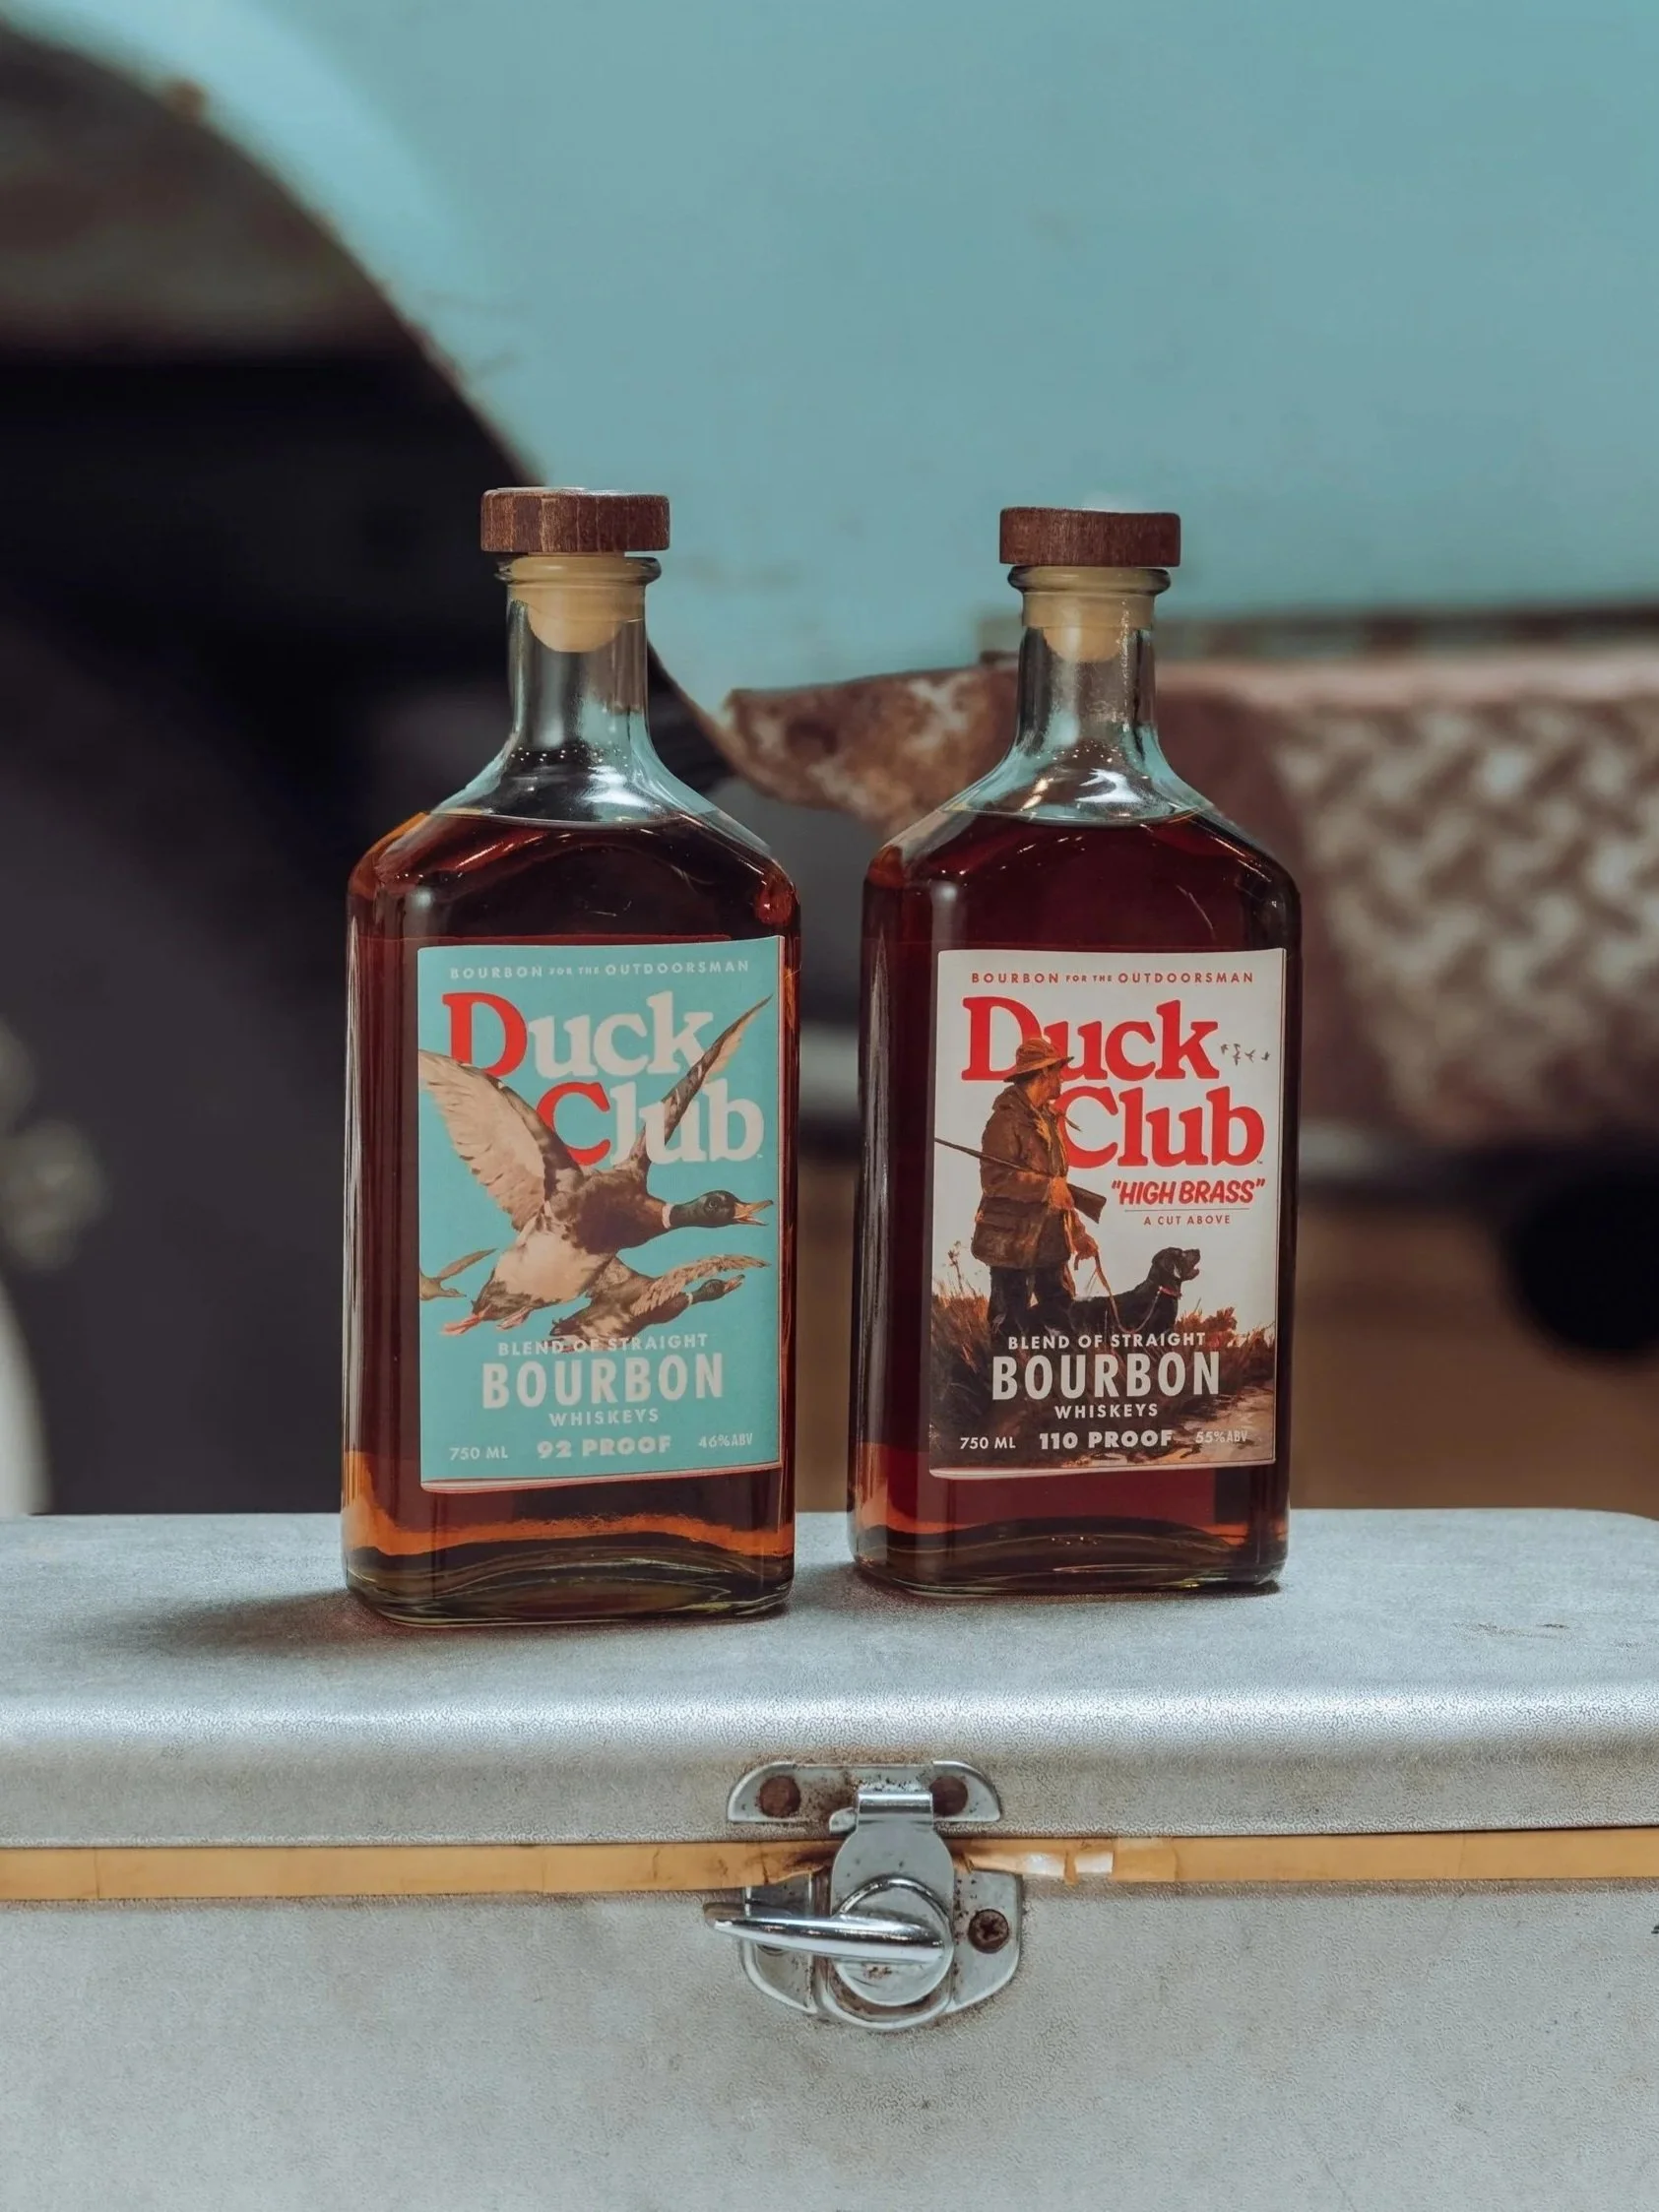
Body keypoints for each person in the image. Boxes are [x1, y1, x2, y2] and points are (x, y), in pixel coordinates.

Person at [970, 1036, 1099, 1346]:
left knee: (1061, 1320)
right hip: (1012, 1243)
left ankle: (1056, 1391)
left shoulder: (1048, 1120)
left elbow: (1060, 1186)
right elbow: (995, 1179)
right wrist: (1044, 1188)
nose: (1062, 1079)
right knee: (1008, 1325)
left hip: (1050, 1240)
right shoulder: (1005, 1121)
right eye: (1058, 1071)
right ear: (1044, 1074)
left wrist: (1078, 1234)